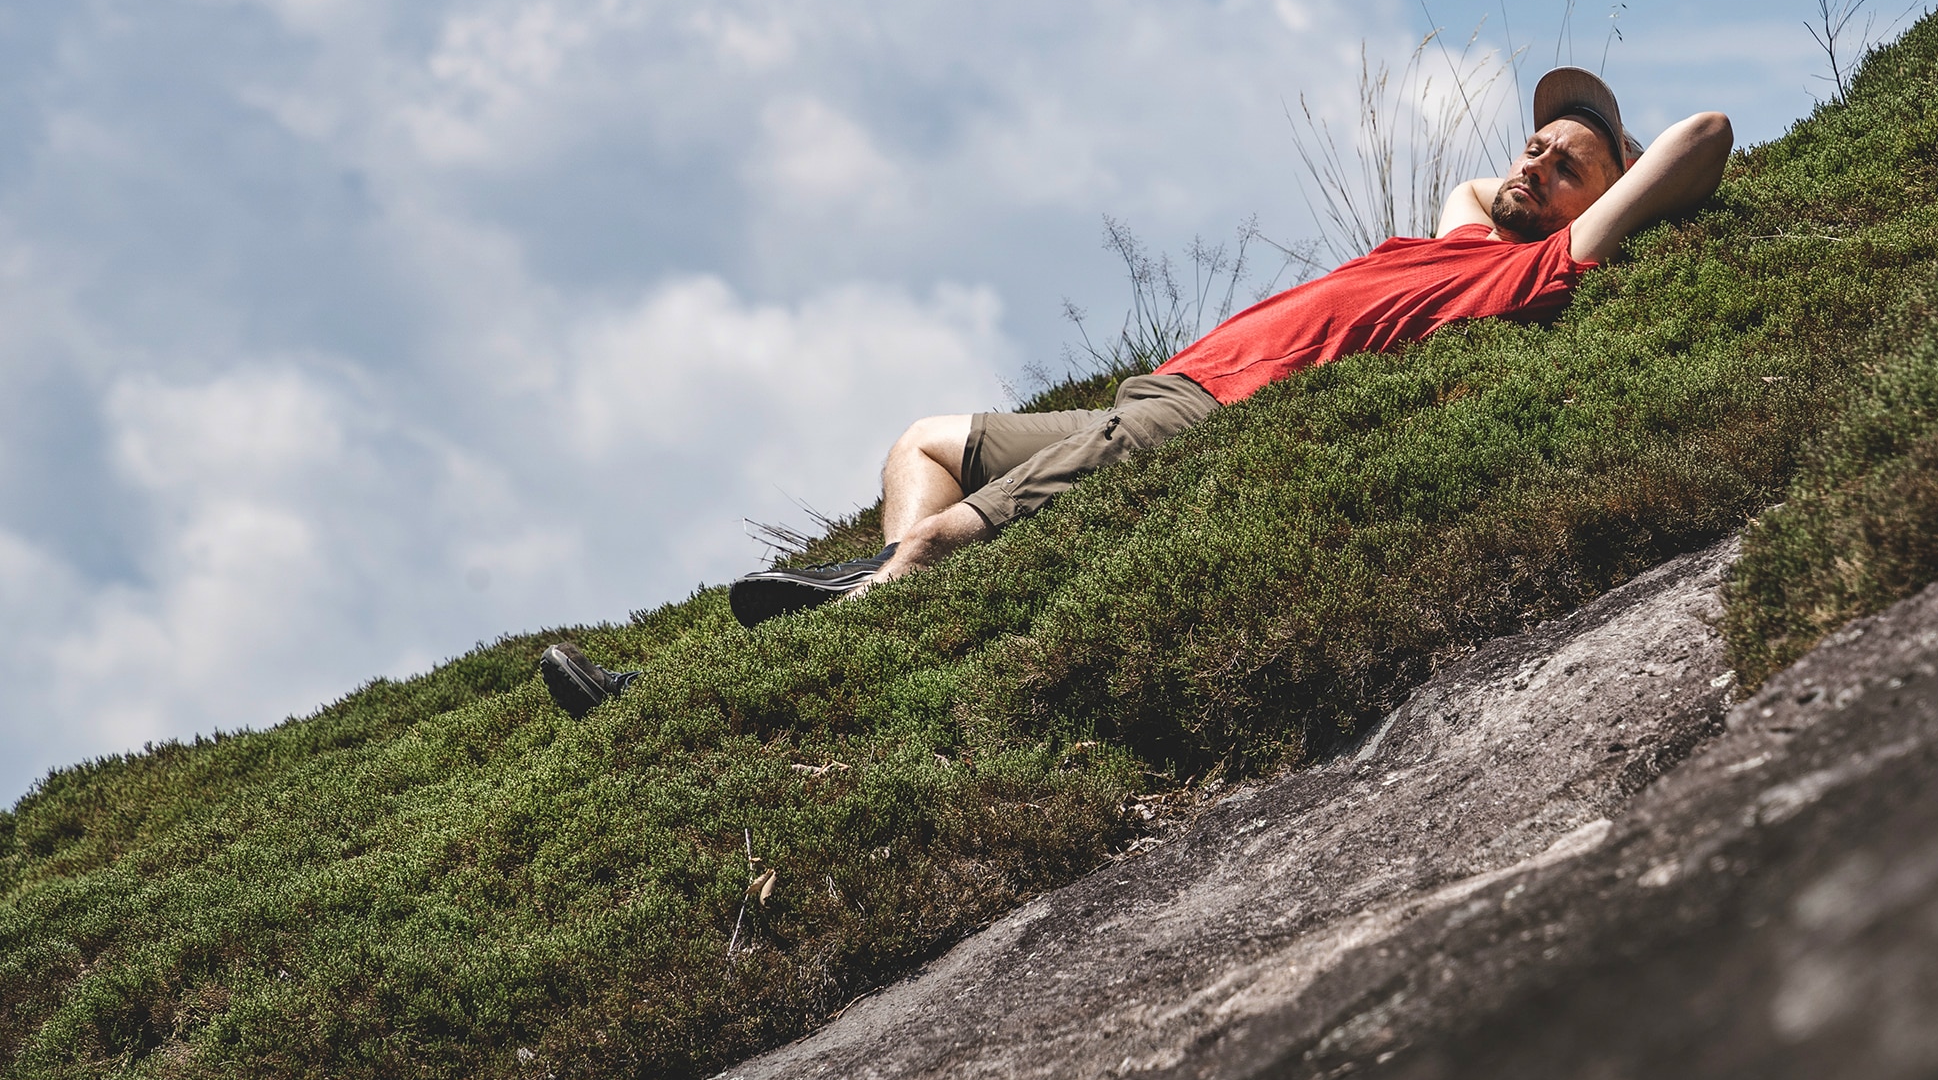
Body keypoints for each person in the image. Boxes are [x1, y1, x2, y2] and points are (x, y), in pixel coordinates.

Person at [539, 68, 1731, 719]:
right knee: (928, 440)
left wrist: (1607, 183)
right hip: (1164, 383)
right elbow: (1477, 184)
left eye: (1559, 163)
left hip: (1210, 415)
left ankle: (667, 697)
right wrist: (1553, 157)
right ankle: (885, 601)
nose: (1528, 164)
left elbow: (1709, 133)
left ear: (1600, 202)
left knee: (945, 535)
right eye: (1531, 147)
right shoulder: (1463, 237)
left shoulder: (1531, 271)